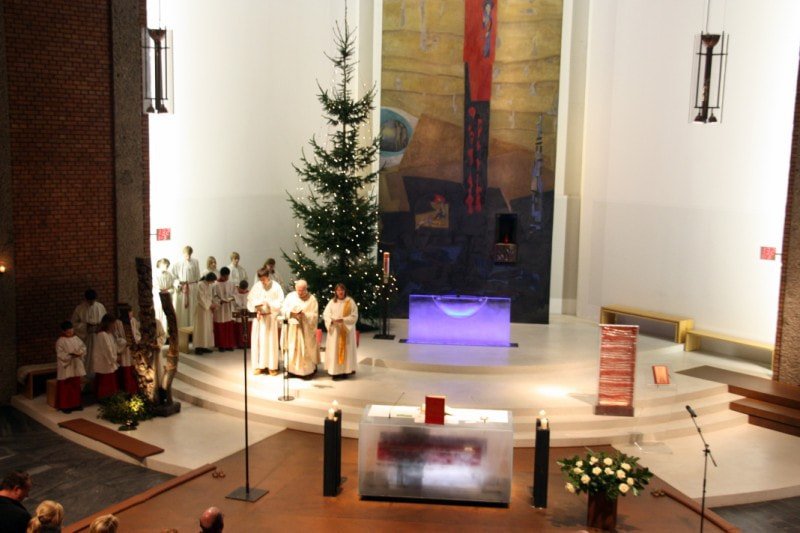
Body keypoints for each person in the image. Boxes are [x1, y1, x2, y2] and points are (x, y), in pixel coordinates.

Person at [247, 267, 284, 375]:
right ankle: (259, 366)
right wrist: (255, 306)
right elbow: (250, 300)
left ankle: (271, 366)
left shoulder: (276, 286)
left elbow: (280, 302)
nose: (262, 282)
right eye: (260, 279)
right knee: (258, 342)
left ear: (268, 276)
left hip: (270, 318)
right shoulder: (257, 286)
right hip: (259, 319)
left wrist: (270, 304)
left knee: (270, 342)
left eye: (264, 279)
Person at [281, 279, 319, 379]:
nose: (300, 293)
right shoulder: (290, 296)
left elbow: (315, 316)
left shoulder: (312, 299)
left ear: (306, 289)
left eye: (302, 290)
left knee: (305, 350)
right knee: (292, 348)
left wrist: (304, 315)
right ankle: (291, 370)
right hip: (292, 329)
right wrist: (291, 313)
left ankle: (306, 372)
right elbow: (283, 309)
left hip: (305, 330)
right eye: (298, 290)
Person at [322, 283, 358, 380]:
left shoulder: (350, 302)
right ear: (335, 292)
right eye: (338, 290)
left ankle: (346, 371)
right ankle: (335, 372)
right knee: (334, 350)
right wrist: (331, 321)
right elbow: (326, 314)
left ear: (345, 291)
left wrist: (344, 320)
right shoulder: (332, 302)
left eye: (342, 290)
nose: (340, 292)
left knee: (347, 350)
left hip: (346, 330)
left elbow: (354, 316)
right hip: (335, 331)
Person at [71, 289, 106, 378]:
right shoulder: (80, 308)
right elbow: (74, 324)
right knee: (87, 358)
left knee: (98, 356)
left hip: (98, 336)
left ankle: (98, 375)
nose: (92, 302)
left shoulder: (100, 307)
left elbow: (105, 321)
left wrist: (100, 326)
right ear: (86, 299)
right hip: (86, 337)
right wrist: (86, 326)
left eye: (93, 300)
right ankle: (86, 376)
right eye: (90, 301)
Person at [55, 320, 86, 413]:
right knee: (66, 387)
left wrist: (80, 353)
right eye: (68, 332)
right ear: (63, 331)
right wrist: (70, 355)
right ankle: (65, 406)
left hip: (75, 364)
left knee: (76, 386)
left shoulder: (76, 338)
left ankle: (76, 404)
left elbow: (83, 347)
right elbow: (60, 354)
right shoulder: (60, 341)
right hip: (67, 366)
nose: (71, 333)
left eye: (72, 331)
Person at [92, 314, 124, 399]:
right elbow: (107, 349)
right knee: (105, 383)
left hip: (109, 362)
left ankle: (110, 398)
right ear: (108, 324)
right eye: (113, 324)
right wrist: (115, 358)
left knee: (111, 382)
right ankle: (105, 399)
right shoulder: (102, 335)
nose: (114, 326)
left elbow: (113, 346)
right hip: (105, 362)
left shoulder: (109, 334)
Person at [113, 303, 140, 395]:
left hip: (133, 350)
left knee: (134, 369)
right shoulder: (118, 323)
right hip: (124, 350)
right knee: (125, 370)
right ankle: (126, 391)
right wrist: (125, 342)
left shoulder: (133, 321)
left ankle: (135, 390)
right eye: (129, 312)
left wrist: (136, 340)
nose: (131, 313)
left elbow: (137, 333)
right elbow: (116, 337)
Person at [171, 245, 201, 328]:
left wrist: (196, 286)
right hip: (183, 288)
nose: (188, 257)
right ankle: (182, 327)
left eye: (189, 255)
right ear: (183, 253)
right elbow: (173, 277)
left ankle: (193, 327)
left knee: (193, 308)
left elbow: (198, 276)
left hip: (192, 287)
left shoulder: (195, 262)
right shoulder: (178, 263)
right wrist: (178, 284)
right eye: (186, 255)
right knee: (183, 309)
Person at [193, 273, 217, 354]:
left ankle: (205, 346)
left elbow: (209, 296)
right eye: (213, 280)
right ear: (210, 279)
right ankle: (198, 347)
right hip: (201, 308)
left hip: (207, 309)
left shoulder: (209, 285)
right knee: (201, 328)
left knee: (207, 327)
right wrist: (209, 305)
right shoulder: (200, 284)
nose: (213, 282)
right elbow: (200, 297)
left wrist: (212, 303)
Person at [213, 267, 236, 351]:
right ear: (221, 275)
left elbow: (234, 293)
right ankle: (221, 345)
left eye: (227, 276)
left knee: (229, 325)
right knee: (220, 326)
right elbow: (214, 296)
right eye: (225, 276)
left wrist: (232, 298)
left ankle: (229, 344)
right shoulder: (215, 284)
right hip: (220, 308)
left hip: (228, 307)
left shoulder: (230, 282)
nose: (227, 278)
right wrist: (220, 301)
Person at [154, 258, 176, 335]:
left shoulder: (169, 275)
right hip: (159, 296)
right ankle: (159, 332)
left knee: (167, 314)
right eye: (164, 265)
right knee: (159, 313)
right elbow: (155, 286)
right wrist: (161, 291)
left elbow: (172, 287)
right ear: (160, 265)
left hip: (167, 296)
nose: (166, 267)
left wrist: (168, 291)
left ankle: (166, 333)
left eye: (167, 265)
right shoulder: (156, 274)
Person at [232, 280, 250, 349]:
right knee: (240, 329)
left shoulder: (249, 293)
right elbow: (234, 304)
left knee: (247, 329)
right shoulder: (235, 294)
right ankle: (240, 344)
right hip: (240, 313)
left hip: (247, 313)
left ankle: (247, 343)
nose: (243, 291)